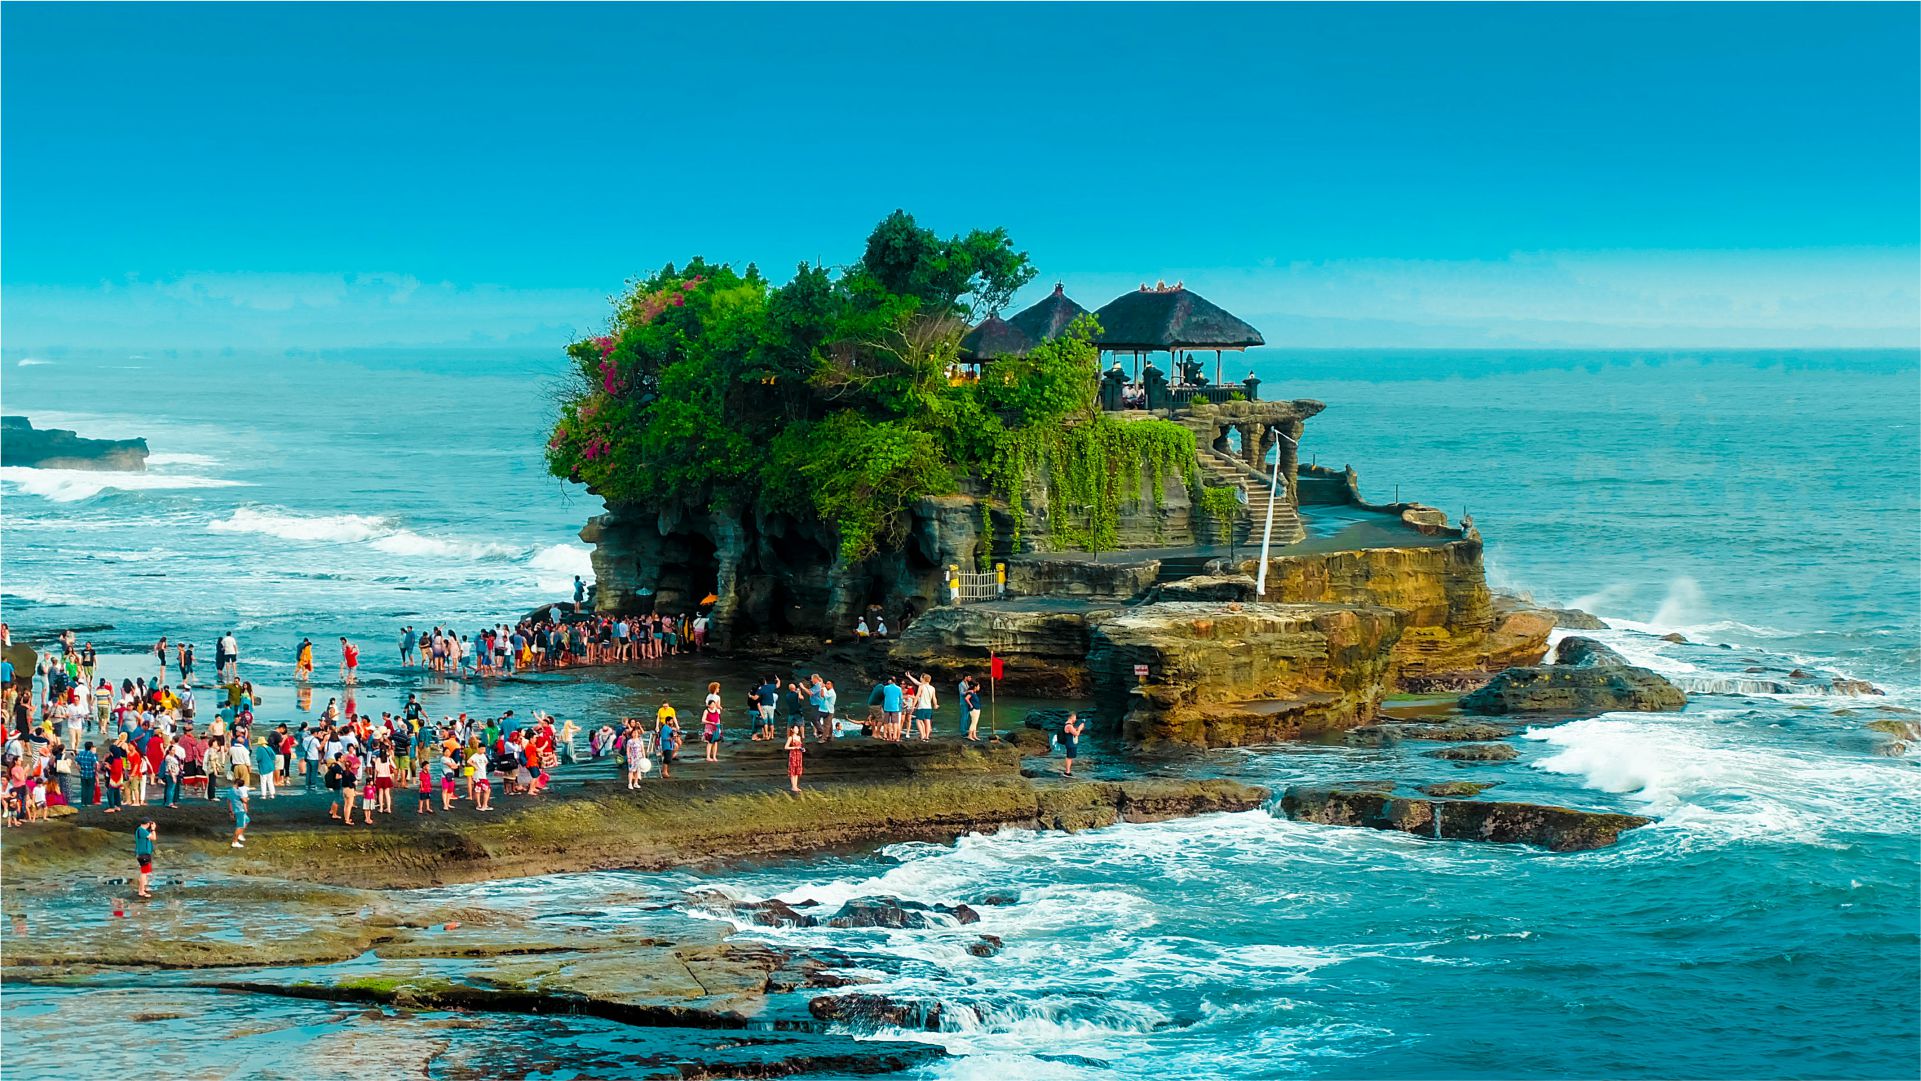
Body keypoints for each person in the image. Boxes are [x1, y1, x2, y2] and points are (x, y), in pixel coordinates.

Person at [133, 817, 157, 898]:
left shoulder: (141, 830)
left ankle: (143, 888)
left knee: (145, 872)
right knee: (144, 873)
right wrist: (153, 829)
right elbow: (154, 838)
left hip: (144, 854)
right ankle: (141, 891)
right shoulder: (142, 830)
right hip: (143, 854)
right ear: (147, 823)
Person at [701, 682, 722, 762]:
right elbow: (718, 706)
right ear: (715, 689)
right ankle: (712, 756)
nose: (719, 689)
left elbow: (707, 704)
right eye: (718, 688)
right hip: (715, 716)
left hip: (712, 715)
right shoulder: (717, 697)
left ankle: (710, 756)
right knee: (713, 740)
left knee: (712, 741)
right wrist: (720, 707)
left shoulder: (708, 696)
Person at [1060, 712, 1085, 776]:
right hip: (1070, 743)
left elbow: (1074, 731)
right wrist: (1080, 729)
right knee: (1069, 757)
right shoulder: (1069, 726)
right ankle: (1067, 772)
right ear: (1072, 717)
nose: (1075, 719)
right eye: (1075, 717)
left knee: (1070, 757)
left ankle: (1068, 771)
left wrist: (1079, 728)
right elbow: (1076, 734)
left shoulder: (1069, 725)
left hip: (1070, 743)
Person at [228, 782, 249, 848]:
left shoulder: (230, 791)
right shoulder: (238, 792)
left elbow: (229, 802)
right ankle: (235, 842)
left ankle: (239, 834)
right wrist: (247, 799)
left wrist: (231, 811)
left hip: (235, 809)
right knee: (240, 826)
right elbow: (245, 800)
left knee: (247, 820)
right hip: (240, 810)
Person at [785, 725, 805, 793]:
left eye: (797, 728)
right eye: (796, 728)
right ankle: (793, 786)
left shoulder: (799, 737)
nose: (797, 730)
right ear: (792, 729)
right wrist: (794, 747)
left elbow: (800, 746)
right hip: (793, 754)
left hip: (799, 754)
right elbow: (786, 747)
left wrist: (802, 749)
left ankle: (795, 786)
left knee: (797, 770)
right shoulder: (790, 737)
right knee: (793, 769)